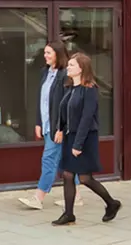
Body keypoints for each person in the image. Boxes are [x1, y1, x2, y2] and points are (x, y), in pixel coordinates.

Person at [52, 51, 121, 225]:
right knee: (68, 175)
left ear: (81, 69)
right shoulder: (70, 88)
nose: (68, 68)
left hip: (84, 138)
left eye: (72, 65)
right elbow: (64, 110)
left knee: (85, 178)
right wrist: (60, 129)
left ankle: (112, 203)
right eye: (68, 65)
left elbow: (86, 118)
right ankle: (69, 214)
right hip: (70, 136)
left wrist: (78, 144)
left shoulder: (89, 90)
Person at [19, 42, 69, 211]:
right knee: (64, 161)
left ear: (58, 55)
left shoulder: (65, 75)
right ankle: (76, 197)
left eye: (49, 53)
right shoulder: (45, 73)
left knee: (48, 159)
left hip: (58, 127)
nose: (45, 56)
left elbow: (66, 105)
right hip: (47, 125)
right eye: (45, 52)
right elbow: (41, 100)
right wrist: (39, 122)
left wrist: (61, 128)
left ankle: (38, 198)